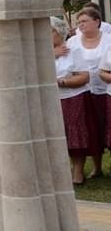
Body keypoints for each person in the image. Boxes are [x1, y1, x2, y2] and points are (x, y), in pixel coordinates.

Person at [52, 17, 97, 186]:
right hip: (53, 100)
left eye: (51, 31)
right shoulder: (40, 52)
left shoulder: (73, 49)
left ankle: (78, 171)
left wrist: (61, 81)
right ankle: (62, 170)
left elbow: (84, 77)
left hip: (73, 98)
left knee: (75, 136)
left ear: (59, 32)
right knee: (58, 135)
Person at [68, 7, 111, 179]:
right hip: (84, 92)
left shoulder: (108, 40)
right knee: (92, 129)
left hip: (105, 91)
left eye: (84, 21)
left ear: (97, 21)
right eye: (79, 22)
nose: (81, 25)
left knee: (105, 126)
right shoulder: (73, 42)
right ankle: (96, 166)